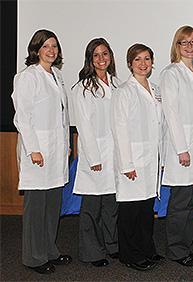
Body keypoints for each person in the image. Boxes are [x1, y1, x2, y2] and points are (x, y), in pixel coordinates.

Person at [11, 29, 72, 274]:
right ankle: (34, 257)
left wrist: (66, 143)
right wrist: (33, 149)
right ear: (36, 49)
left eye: (54, 46)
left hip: (56, 151)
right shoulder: (27, 77)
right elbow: (23, 117)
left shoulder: (57, 75)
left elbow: (62, 115)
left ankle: (49, 250)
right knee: (36, 208)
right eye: (46, 46)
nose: (51, 50)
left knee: (51, 206)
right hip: (37, 152)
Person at [109, 43, 165, 271]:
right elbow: (119, 130)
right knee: (131, 212)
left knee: (146, 210)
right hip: (132, 161)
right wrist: (127, 164)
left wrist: (161, 158)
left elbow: (159, 126)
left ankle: (146, 250)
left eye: (147, 59)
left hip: (151, 160)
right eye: (138, 59)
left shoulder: (156, 90)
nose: (143, 64)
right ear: (130, 63)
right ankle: (130, 255)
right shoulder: (124, 92)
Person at [159, 26, 193, 267]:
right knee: (180, 201)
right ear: (176, 46)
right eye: (184, 42)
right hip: (183, 148)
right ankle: (176, 250)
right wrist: (181, 148)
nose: (189, 46)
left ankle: (187, 244)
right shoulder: (171, 73)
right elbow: (171, 113)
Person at [72, 38, 120, 267]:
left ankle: (112, 246)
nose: (102, 59)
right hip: (96, 155)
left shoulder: (118, 84)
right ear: (90, 60)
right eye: (96, 55)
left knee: (111, 205)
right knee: (92, 207)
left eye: (105, 54)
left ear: (110, 56)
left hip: (115, 155)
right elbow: (83, 125)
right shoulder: (83, 88)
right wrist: (93, 157)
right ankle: (92, 252)